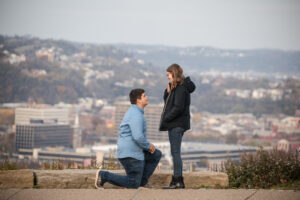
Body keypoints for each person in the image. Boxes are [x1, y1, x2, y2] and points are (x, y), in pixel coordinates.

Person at [95, 88, 162, 189]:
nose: (147, 97)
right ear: (138, 100)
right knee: (133, 183)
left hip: (133, 151)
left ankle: (142, 182)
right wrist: (148, 146)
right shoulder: (136, 114)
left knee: (156, 154)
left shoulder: (135, 112)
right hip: (131, 154)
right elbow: (137, 137)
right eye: (144, 96)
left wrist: (148, 148)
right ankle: (103, 176)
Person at [159, 64, 196, 189]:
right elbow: (168, 103)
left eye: (168, 75)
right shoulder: (178, 88)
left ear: (174, 74)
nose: (167, 78)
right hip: (178, 123)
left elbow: (178, 108)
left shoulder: (180, 88)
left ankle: (178, 181)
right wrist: (167, 92)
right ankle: (176, 180)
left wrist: (166, 118)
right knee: (175, 152)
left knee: (175, 153)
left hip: (176, 124)